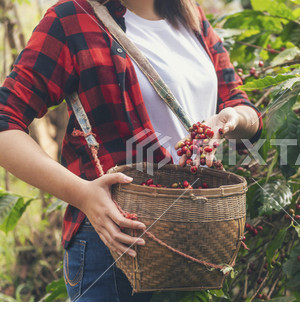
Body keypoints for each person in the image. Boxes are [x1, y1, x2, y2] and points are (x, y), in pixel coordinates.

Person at [0, 0, 262, 301]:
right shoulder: (72, 19)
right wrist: (82, 194)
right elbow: (5, 121)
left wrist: (233, 119)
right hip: (117, 240)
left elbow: (243, 107)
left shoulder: (190, 14)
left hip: (194, 234)